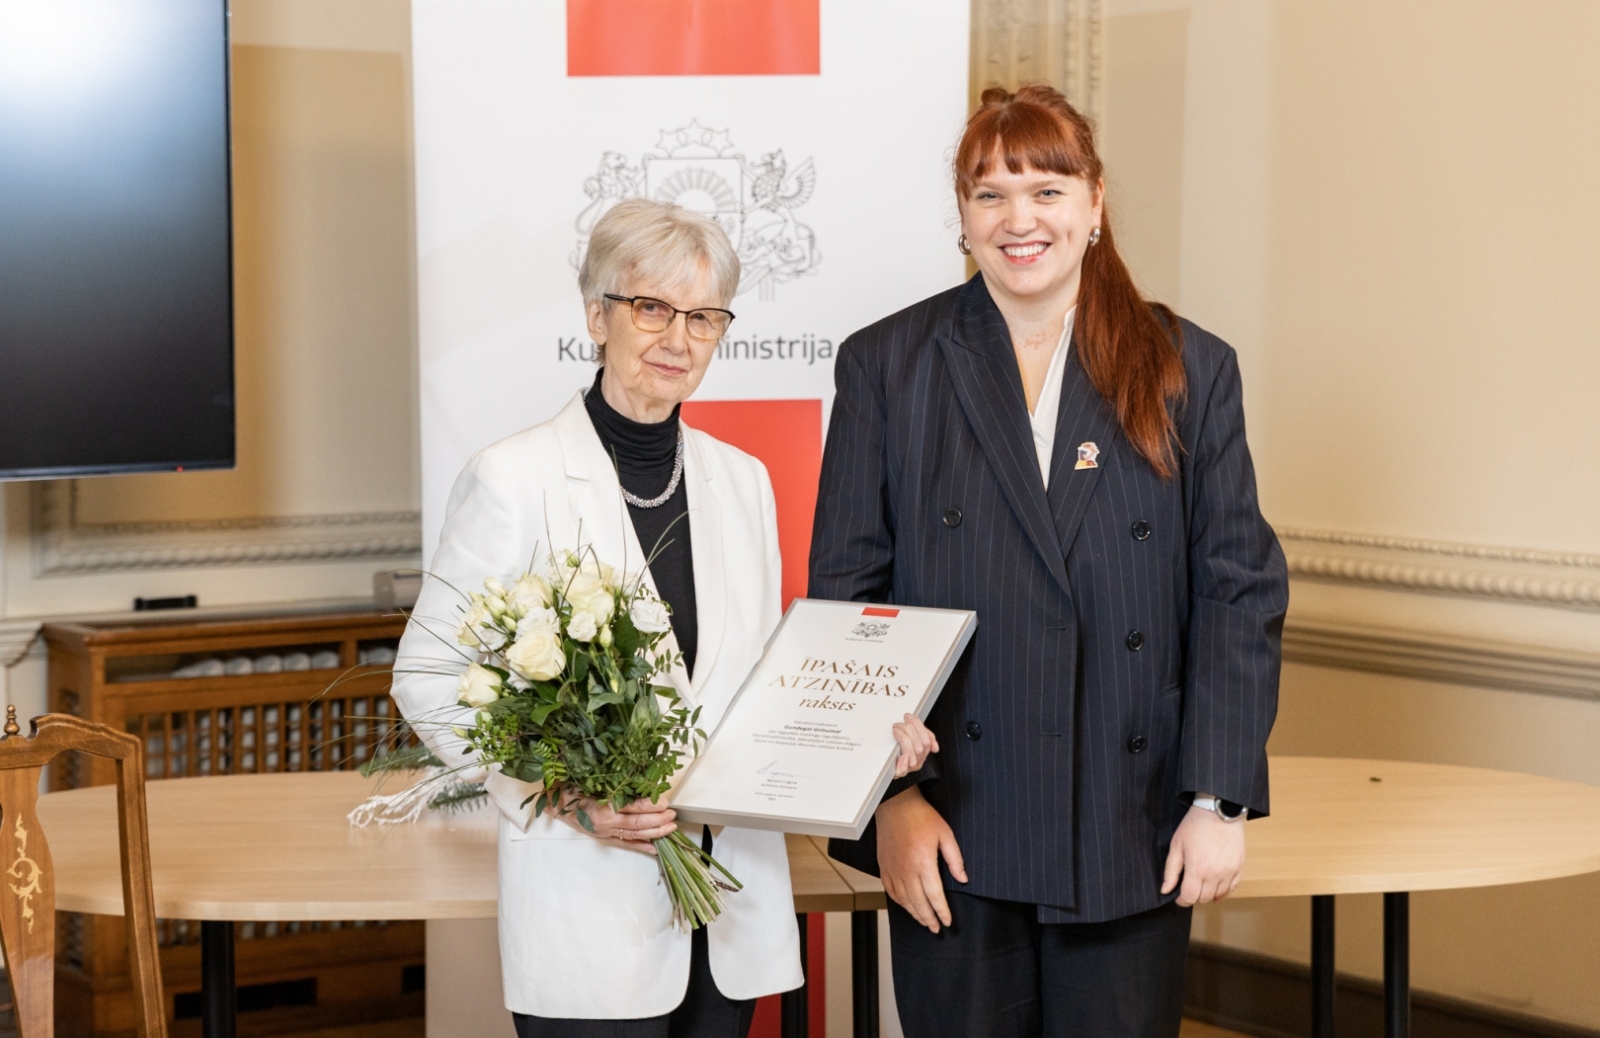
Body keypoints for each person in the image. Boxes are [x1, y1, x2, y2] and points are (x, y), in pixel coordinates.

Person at [809, 84, 1289, 1038]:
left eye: (1046, 189)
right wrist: (890, 802)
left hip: (1132, 821)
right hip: (953, 822)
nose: (1018, 220)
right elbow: (849, 601)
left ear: (1096, 202)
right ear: (962, 217)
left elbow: (1237, 588)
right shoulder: (888, 364)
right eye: (989, 194)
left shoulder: (1185, 365)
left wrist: (1217, 797)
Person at [393, 199, 936, 1038]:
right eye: (651, 307)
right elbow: (428, 675)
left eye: (703, 316)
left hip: (728, 910)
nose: (677, 338)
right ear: (595, 314)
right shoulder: (513, 477)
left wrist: (871, 738)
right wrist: (561, 792)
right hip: (588, 911)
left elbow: (761, 685)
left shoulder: (742, 480)